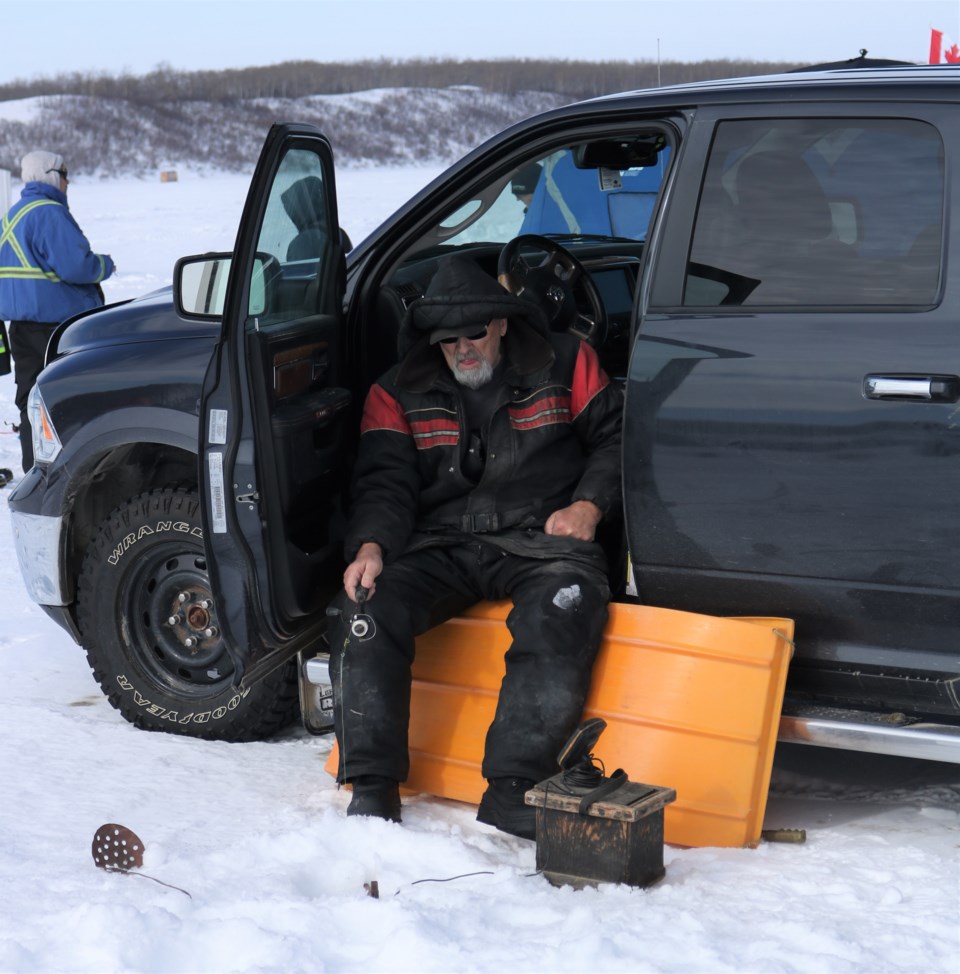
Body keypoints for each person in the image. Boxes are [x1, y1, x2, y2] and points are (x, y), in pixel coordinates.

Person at [328, 256, 623, 839]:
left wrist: (588, 505)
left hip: (540, 540)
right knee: (363, 607)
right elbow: (384, 483)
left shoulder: (569, 361)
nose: (463, 348)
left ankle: (514, 788)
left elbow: (617, 440)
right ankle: (372, 786)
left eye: (476, 333)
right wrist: (371, 547)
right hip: (439, 540)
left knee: (562, 608)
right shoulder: (394, 392)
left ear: (504, 324)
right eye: (448, 339)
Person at [0, 150, 115, 472]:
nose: (67, 183)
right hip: (59, 327)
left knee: (30, 399)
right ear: (52, 176)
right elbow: (77, 267)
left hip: (21, 328)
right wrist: (104, 265)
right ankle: (71, 472)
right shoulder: (49, 213)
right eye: (64, 175)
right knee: (68, 399)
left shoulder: (12, 215)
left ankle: (34, 469)